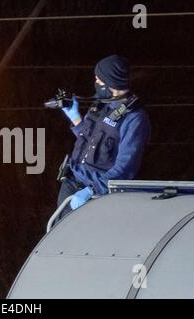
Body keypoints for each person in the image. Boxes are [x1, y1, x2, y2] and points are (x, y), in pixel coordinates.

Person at [56, 55, 151, 223]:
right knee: (55, 237)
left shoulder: (135, 118)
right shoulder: (102, 103)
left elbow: (126, 168)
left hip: (94, 194)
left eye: (98, 80)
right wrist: (76, 120)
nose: (96, 83)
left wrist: (92, 190)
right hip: (72, 182)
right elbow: (90, 142)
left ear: (110, 83)